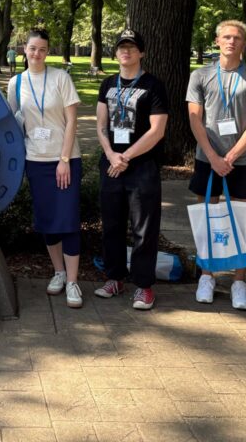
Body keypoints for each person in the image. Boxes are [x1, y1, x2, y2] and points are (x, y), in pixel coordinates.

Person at [186, 19, 246, 309]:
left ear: (244, 44)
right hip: (206, 157)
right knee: (206, 219)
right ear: (217, 40)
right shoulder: (200, 75)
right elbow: (195, 119)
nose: (231, 42)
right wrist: (213, 157)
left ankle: (238, 281)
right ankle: (207, 275)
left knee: (239, 221)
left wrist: (231, 157)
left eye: (237, 38)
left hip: (241, 160)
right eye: (226, 37)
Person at [6, 28, 84, 308]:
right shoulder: (15, 83)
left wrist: (64, 160)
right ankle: (59, 273)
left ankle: (73, 281)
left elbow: (72, 121)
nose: (36, 53)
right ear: (24, 50)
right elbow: (14, 124)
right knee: (48, 220)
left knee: (69, 220)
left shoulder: (60, 78)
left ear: (47, 52)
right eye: (32, 48)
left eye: (42, 49)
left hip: (64, 159)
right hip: (36, 161)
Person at [94, 29, 169, 310]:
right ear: (116, 52)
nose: (126, 51)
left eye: (132, 47)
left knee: (144, 228)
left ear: (142, 53)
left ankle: (143, 286)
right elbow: (101, 125)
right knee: (111, 225)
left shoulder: (153, 85)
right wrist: (111, 155)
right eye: (121, 47)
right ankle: (114, 278)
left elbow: (157, 130)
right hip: (112, 164)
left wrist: (124, 156)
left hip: (141, 166)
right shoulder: (107, 84)